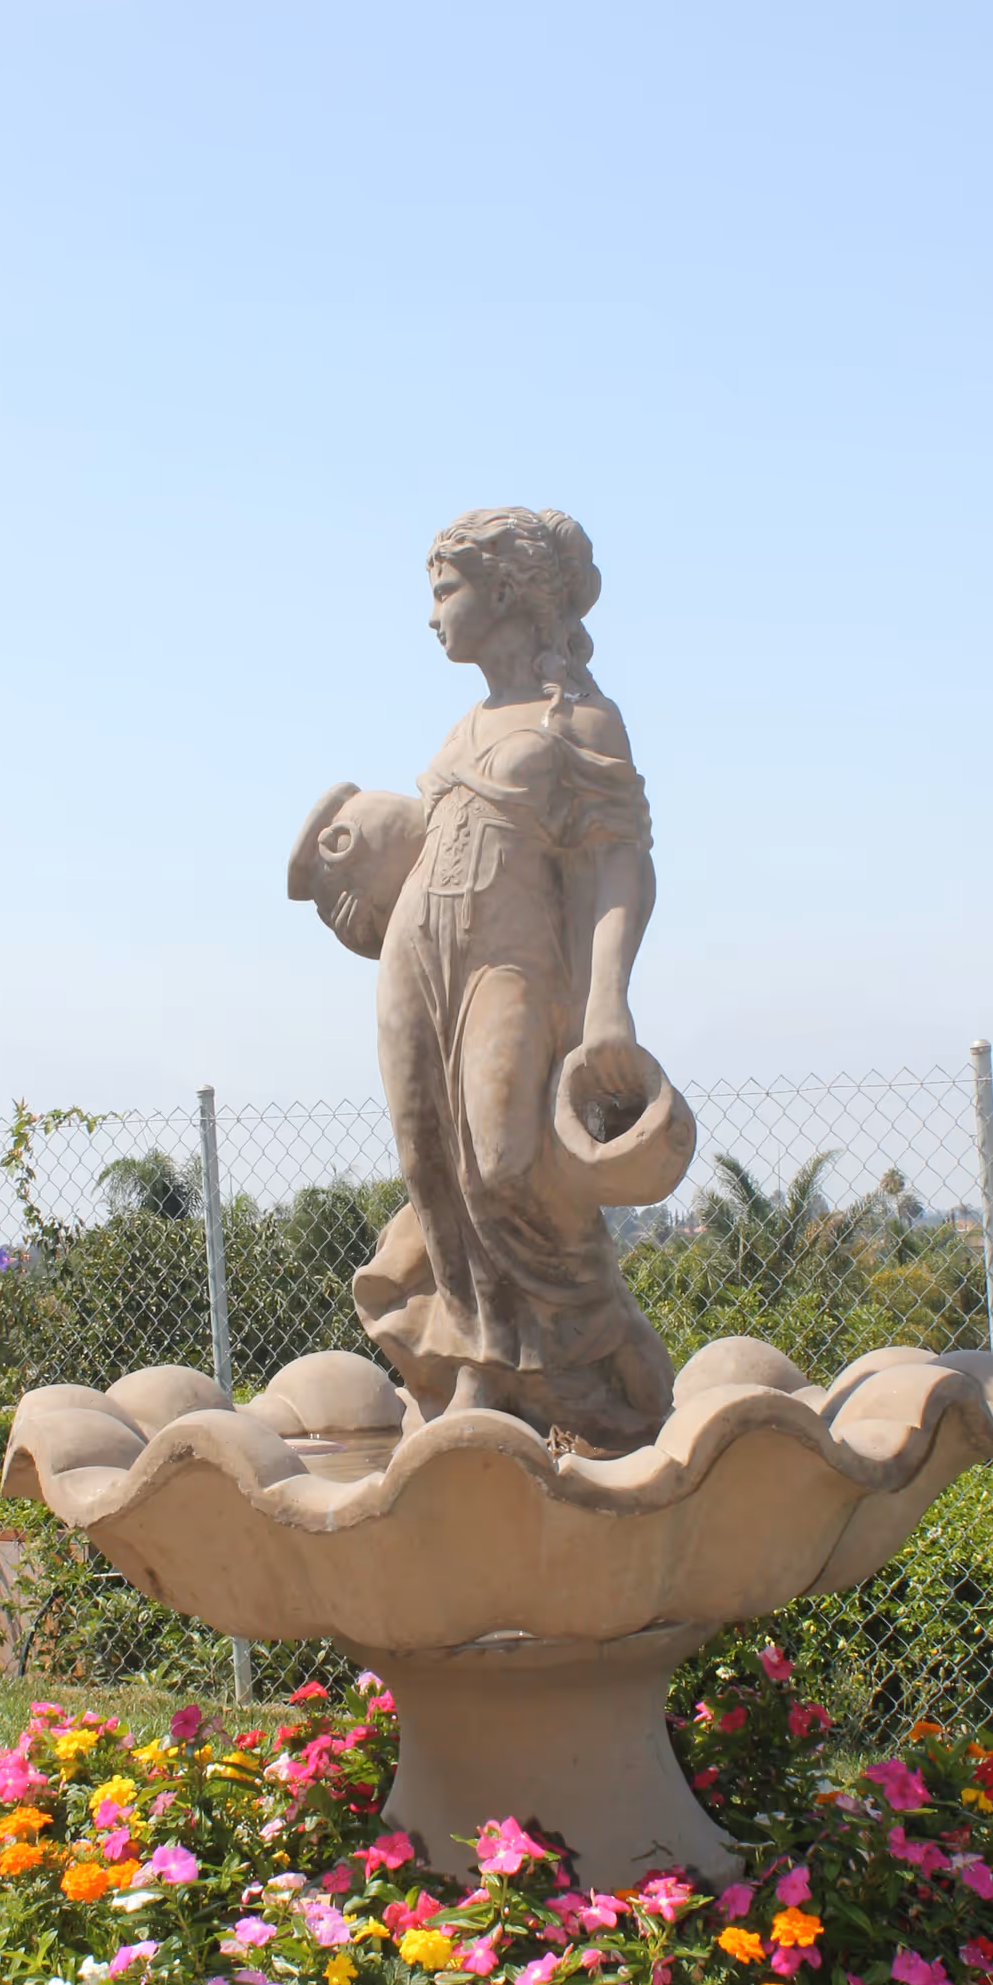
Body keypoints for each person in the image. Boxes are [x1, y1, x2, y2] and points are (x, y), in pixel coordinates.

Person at [292, 507, 683, 1451]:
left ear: (503, 592)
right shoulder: (464, 725)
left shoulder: (581, 718)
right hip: (416, 964)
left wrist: (605, 1000)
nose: (432, 617)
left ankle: (590, 1372)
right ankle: (479, 1365)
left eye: (443, 592)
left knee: (505, 1166)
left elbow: (619, 862)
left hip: (514, 965)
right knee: (435, 1167)